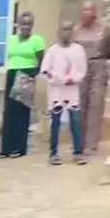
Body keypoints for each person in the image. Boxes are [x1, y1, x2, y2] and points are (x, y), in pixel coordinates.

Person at [40, 21, 87, 166]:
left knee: (76, 121)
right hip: (57, 90)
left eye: (69, 29)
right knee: (55, 122)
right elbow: (45, 71)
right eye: (64, 29)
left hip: (72, 90)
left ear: (73, 32)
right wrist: (57, 80)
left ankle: (78, 153)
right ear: (59, 32)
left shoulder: (78, 50)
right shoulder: (52, 51)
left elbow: (83, 69)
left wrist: (74, 79)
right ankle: (53, 153)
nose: (66, 32)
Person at [0, 12, 45, 159]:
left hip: (26, 74)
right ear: (18, 25)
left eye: (29, 24)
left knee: (22, 112)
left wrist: (31, 75)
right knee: (9, 111)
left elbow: (41, 61)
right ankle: (6, 148)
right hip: (12, 74)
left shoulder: (37, 40)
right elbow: (10, 57)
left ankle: (19, 148)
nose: (26, 27)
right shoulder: (12, 39)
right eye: (23, 24)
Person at [73, 2, 109, 155]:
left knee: (96, 104)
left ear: (95, 12)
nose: (86, 13)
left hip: (98, 66)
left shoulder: (105, 29)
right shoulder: (76, 30)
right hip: (80, 67)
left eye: (89, 10)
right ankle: (79, 141)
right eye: (83, 10)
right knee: (80, 104)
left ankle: (92, 143)